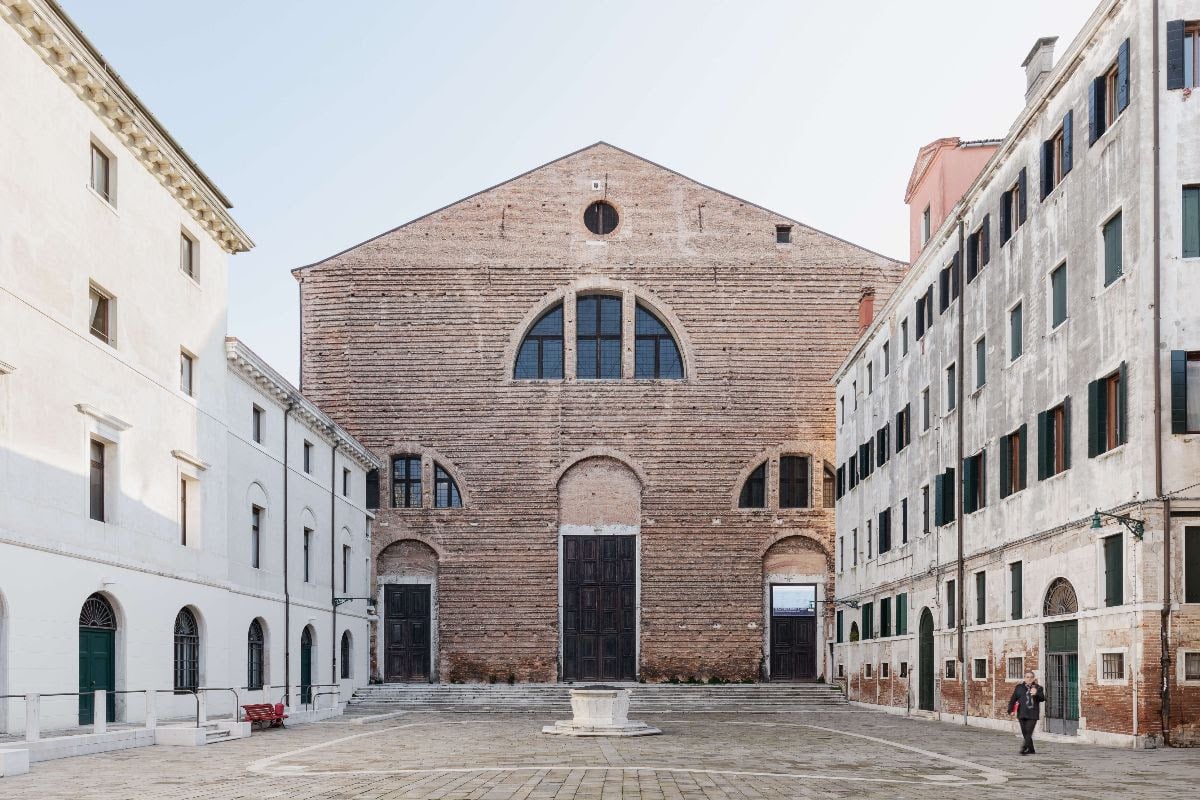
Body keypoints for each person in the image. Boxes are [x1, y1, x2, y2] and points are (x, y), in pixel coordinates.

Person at [1007, 670, 1046, 755]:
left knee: (1029, 731)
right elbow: (1013, 699)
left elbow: (1042, 699)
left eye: (1031, 677)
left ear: (1033, 678)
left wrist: (1036, 694)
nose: (1029, 679)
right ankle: (1031, 749)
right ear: (1024, 678)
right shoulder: (1019, 687)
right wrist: (1010, 710)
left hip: (1033, 713)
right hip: (1022, 712)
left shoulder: (1038, 688)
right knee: (1025, 732)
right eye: (1027, 677)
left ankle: (1024, 748)